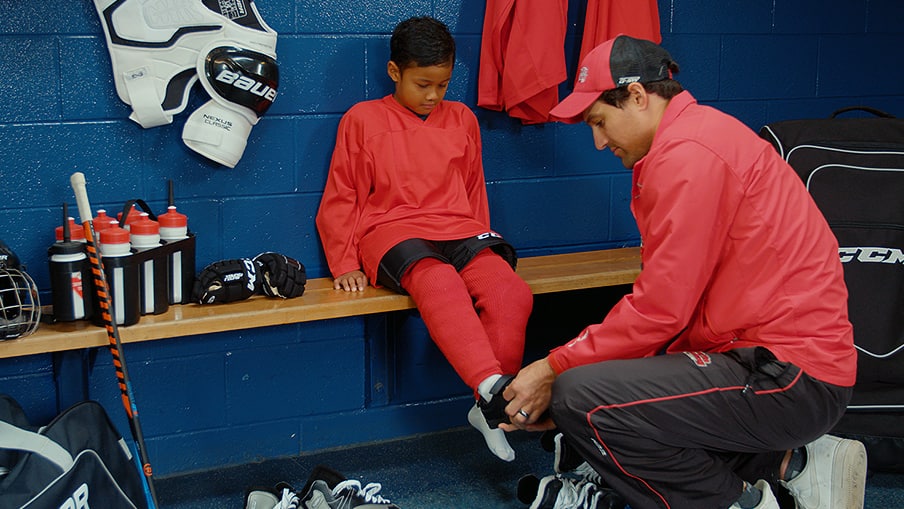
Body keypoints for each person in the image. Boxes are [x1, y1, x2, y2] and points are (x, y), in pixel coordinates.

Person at [498, 35, 868, 509]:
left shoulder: (688, 154)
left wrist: (553, 369)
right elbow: (676, 309)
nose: (598, 141)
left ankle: (742, 502)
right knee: (600, 399)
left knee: (580, 398)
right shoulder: (691, 138)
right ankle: (790, 466)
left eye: (599, 122)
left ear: (636, 96)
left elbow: (660, 310)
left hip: (787, 375)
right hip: (768, 360)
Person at [315, 16, 534, 462]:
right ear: (394, 72)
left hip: (459, 228)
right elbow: (342, 195)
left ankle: (485, 409)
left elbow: (474, 191)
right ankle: (495, 390)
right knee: (439, 283)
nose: (434, 95)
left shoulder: (462, 119)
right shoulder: (363, 119)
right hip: (391, 232)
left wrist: (485, 245)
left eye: (444, 84)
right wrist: (344, 264)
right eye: (423, 83)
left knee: (509, 290)